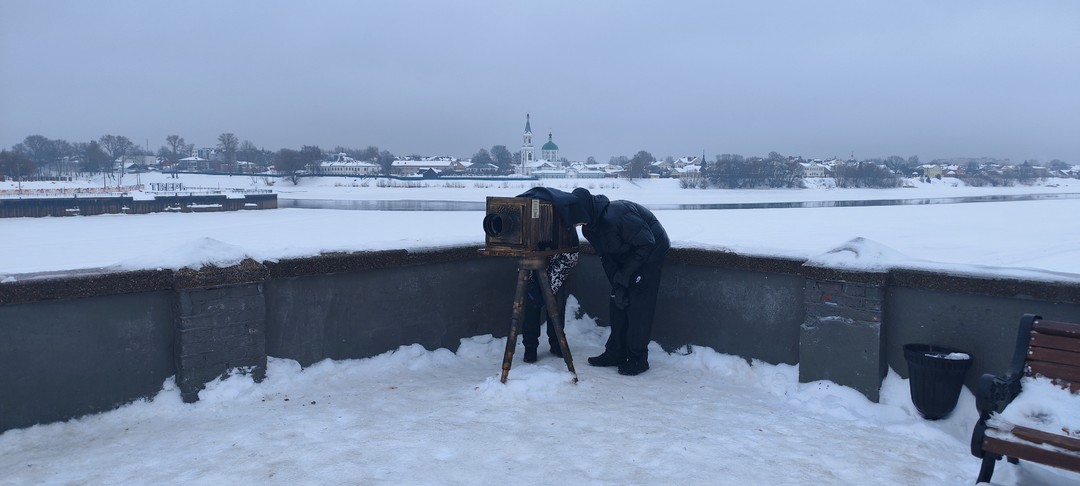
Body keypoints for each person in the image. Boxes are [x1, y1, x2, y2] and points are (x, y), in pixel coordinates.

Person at [563, 187, 669, 376]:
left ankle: (638, 359)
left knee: (638, 305)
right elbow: (607, 257)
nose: (577, 225)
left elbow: (647, 243)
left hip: (650, 253)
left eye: (577, 219)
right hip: (629, 255)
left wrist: (627, 275)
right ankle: (616, 353)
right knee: (618, 301)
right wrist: (617, 284)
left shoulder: (617, 216)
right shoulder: (590, 229)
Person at [516, 187, 581, 363]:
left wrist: (550, 285)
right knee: (531, 307)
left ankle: (557, 343)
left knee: (556, 306)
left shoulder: (563, 224)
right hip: (532, 266)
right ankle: (530, 348)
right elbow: (519, 247)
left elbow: (570, 257)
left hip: (558, 264)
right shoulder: (526, 222)